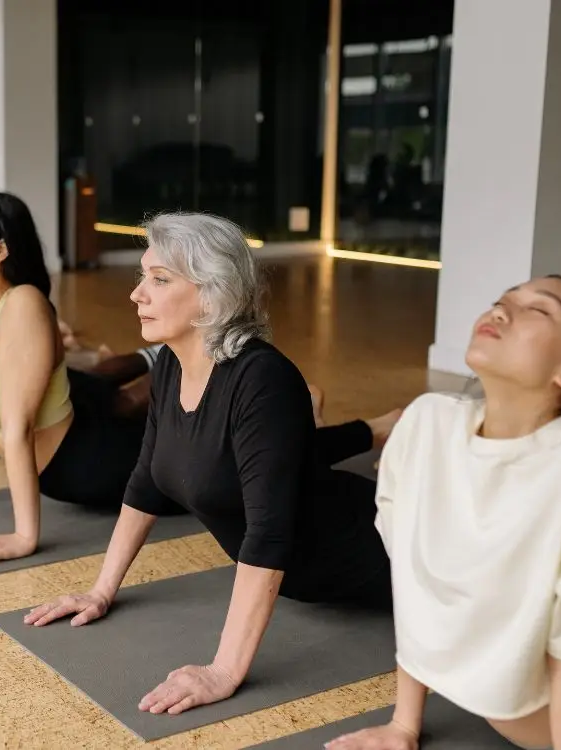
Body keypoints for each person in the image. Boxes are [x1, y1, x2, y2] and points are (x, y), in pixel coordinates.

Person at [22, 211, 403, 718]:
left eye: (159, 279)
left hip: (383, 553)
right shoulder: (170, 369)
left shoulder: (262, 379)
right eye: (143, 276)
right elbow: (145, 482)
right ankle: (379, 430)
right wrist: (100, 589)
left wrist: (224, 670)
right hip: (311, 581)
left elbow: (269, 534)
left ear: (211, 294)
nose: (138, 293)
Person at [325, 275, 561, 750]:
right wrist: (403, 726)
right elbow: (415, 579)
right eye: (503, 301)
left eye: (538, 310)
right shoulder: (427, 422)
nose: (501, 311)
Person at [0, 191, 185, 565]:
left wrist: (25, 535)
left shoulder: (23, 305)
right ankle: (161, 358)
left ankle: (193, 358)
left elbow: (18, 427)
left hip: (91, 461)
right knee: (100, 387)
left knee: (188, 471)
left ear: (0, 250)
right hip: (75, 415)